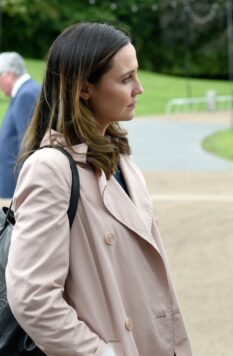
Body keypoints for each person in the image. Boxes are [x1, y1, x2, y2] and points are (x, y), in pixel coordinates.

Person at [6, 23, 192, 355]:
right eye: (125, 79)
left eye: (136, 75)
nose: (139, 89)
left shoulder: (121, 156)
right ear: (84, 88)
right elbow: (33, 297)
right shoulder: (51, 168)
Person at [0, 52, 41, 198]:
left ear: (9, 74)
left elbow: (28, 146)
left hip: (16, 190)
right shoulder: (23, 92)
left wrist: (24, 192)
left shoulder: (26, 94)